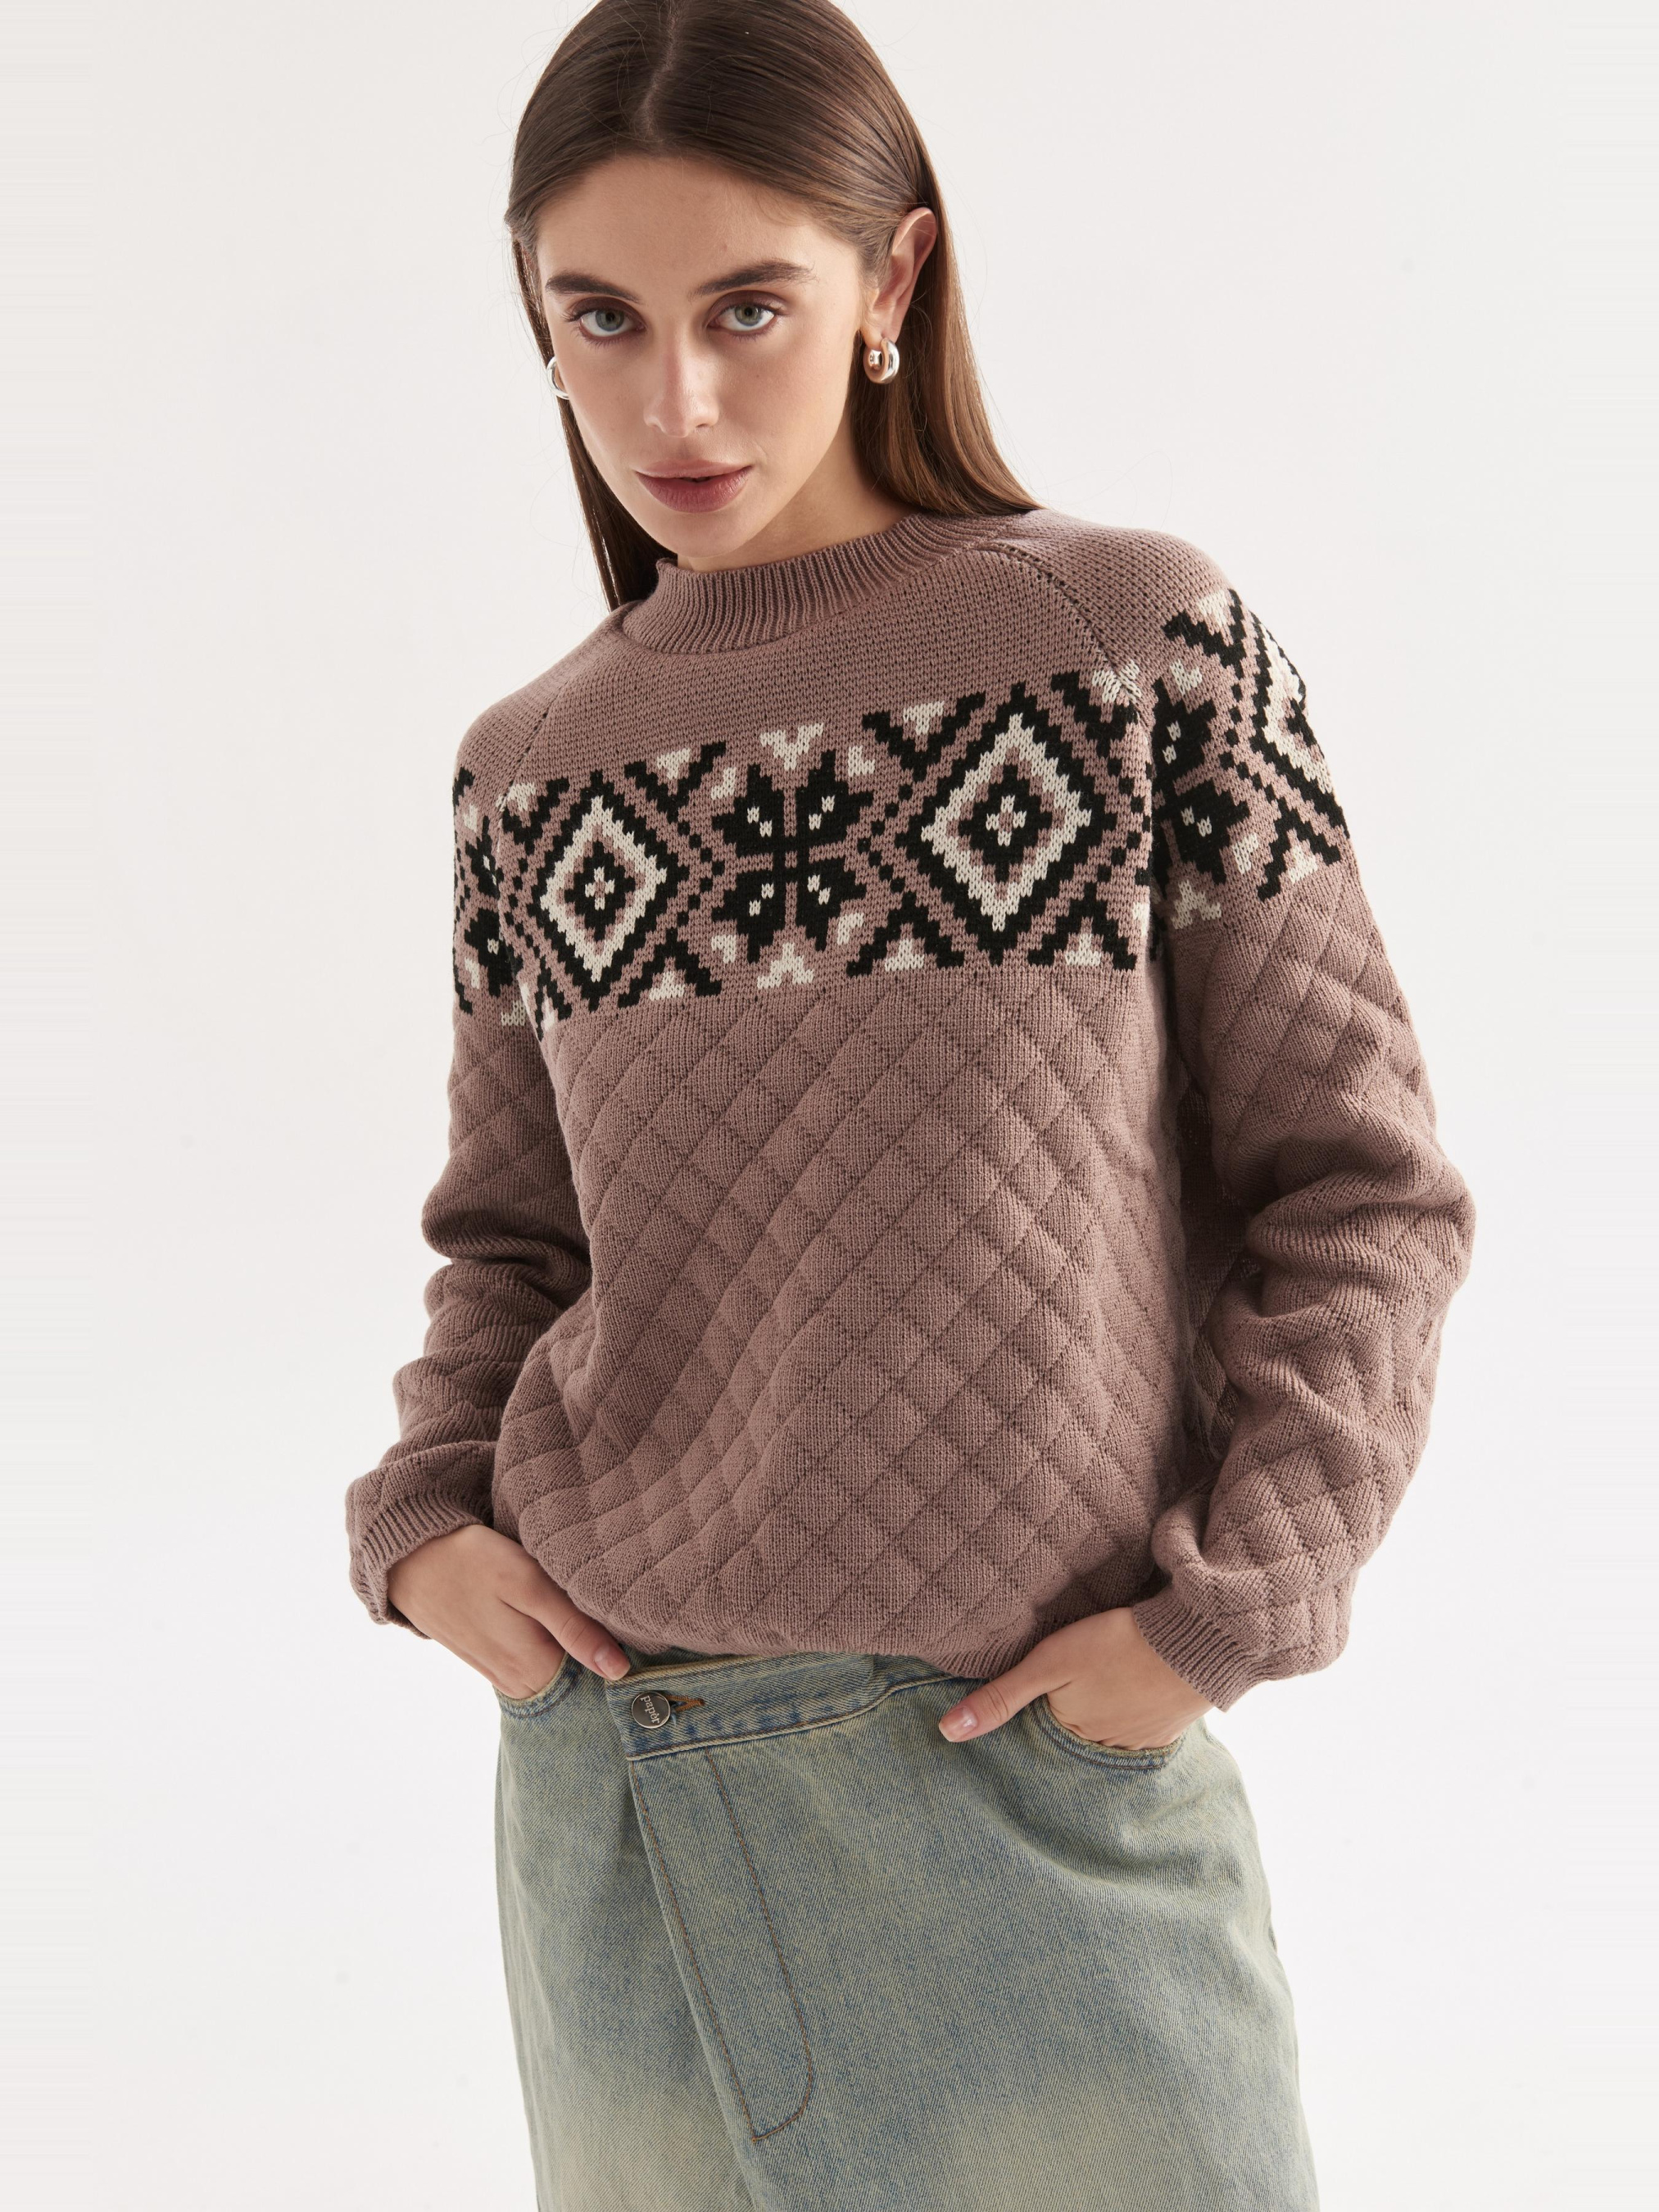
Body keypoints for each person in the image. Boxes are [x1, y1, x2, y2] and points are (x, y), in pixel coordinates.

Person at [343, 3, 1477, 2205]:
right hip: (623, 1793)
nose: (672, 402)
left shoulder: (1136, 643)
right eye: (601, 317)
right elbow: (513, 1244)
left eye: (746, 306)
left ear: (893, 280)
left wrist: (1233, 1604)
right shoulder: (529, 769)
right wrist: (421, 1528)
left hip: (1023, 1779)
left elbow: (1363, 1192)